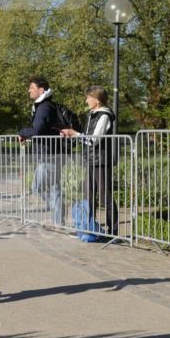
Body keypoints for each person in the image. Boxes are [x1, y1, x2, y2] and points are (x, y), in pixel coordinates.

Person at [60, 85, 118, 238]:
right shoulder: (93, 114)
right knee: (88, 195)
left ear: (96, 100)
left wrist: (75, 134)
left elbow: (94, 140)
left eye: (88, 98)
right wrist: (74, 135)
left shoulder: (104, 115)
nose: (86, 100)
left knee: (105, 196)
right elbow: (87, 140)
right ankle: (89, 228)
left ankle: (114, 233)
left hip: (101, 161)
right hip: (91, 160)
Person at [18, 75, 64, 226]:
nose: (28, 90)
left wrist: (22, 132)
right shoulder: (47, 106)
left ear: (41, 90)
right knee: (53, 188)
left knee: (38, 187)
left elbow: (37, 130)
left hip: (49, 153)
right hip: (52, 152)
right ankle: (58, 220)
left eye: (31, 87)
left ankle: (59, 214)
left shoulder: (44, 107)